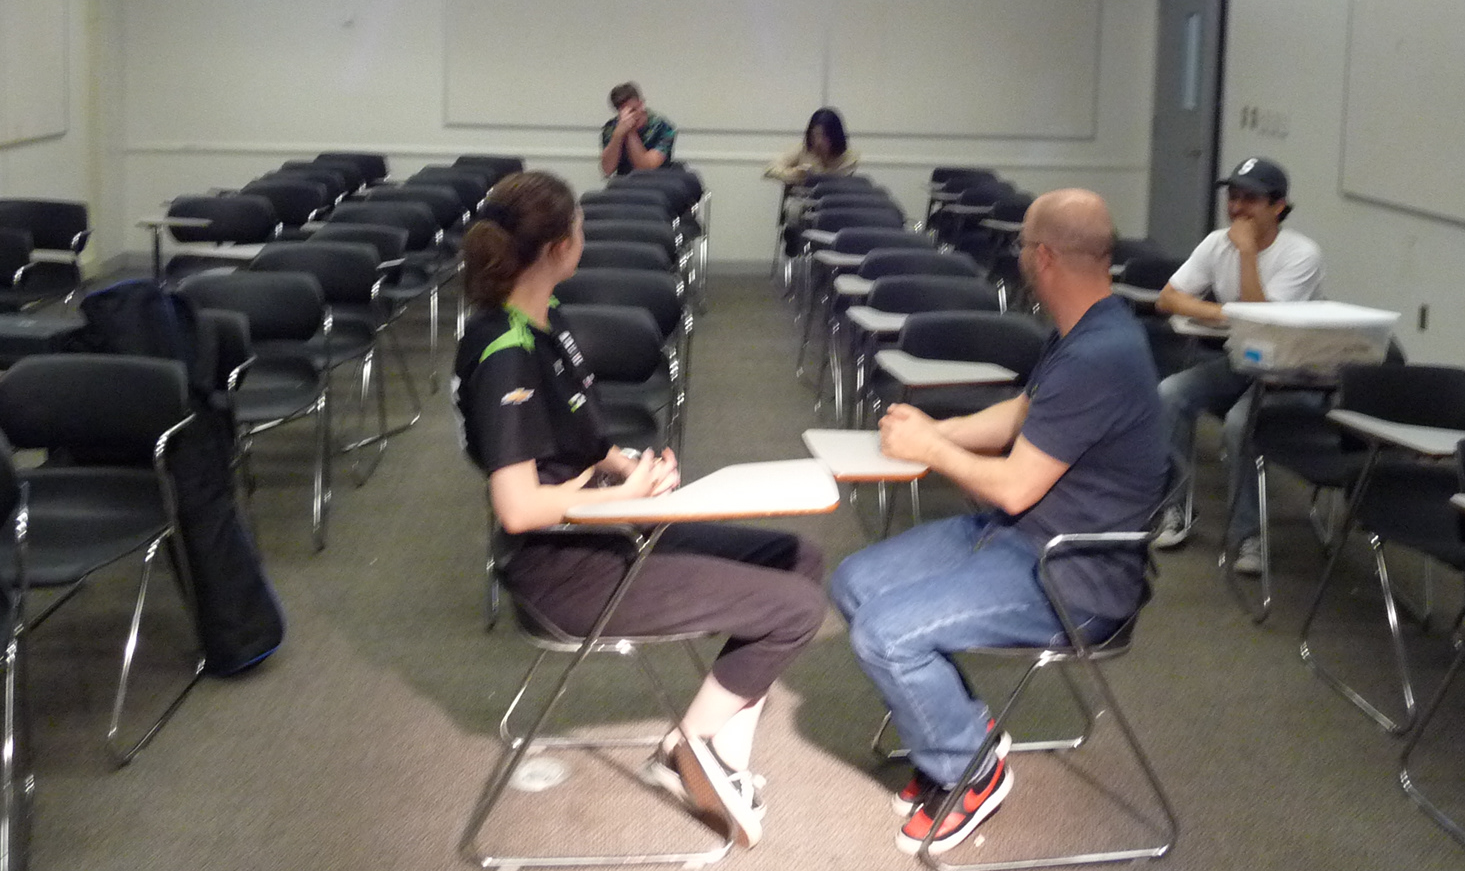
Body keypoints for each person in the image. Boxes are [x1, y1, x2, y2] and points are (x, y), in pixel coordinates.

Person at [453, 170, 826, 848]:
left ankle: (718, 758)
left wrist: (628, 467)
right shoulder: (505, 351)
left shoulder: (545, 319)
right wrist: (619, 495)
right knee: (796, 611)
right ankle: (684, 750)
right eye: (580, 227)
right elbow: (518, 508)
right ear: (560, 247)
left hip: (606, 529)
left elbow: (580, 439)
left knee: (797, 558)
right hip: (565, 573)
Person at [830, 189, 1163, 857]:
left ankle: (971, 769)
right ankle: (961, 735)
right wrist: (938, 431)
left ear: (1044, 257)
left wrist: (933, 451)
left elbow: (1014, 487)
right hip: (1022, 538)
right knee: (854, 583)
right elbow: (1023, 414)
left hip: (1073, 575)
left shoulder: (1101, 354)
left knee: (885, 634)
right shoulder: (1085, 329)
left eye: (1022, 248)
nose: (1017, 258)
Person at [1150, 156, 1324, 573]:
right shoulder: (1216, 243)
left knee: (1238, 424)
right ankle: (1176, 509)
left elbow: (1261, 320)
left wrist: (1246, 253)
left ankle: (1248, 536)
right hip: (1243, 361)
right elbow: (1167, 298)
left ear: (1278, 207)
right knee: (1170, 393)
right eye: (1234, 197)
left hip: (1293, 372)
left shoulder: (1301, 255)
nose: (1237, 208)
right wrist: (1222, 314)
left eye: (1250, 199)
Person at [599, 82, 677, 177]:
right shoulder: (611, 128)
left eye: (633, 110)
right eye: (623, 113)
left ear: (641, 104)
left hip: (658, 181)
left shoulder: (662, 127)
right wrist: (618, 135)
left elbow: (645, 168)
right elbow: (607, 169)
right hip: (623, 182)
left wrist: (630, 132)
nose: (630, 117)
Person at [765, 107, 859, 185]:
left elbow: (835, 182)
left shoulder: (849, 158)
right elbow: (770, 169)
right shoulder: (803, 149)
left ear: (835, 136)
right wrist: (796, 173)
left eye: (824, 136)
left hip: (834, 200)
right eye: (815, 135)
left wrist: (815, 172)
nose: (818, 141)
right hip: (802, 199)